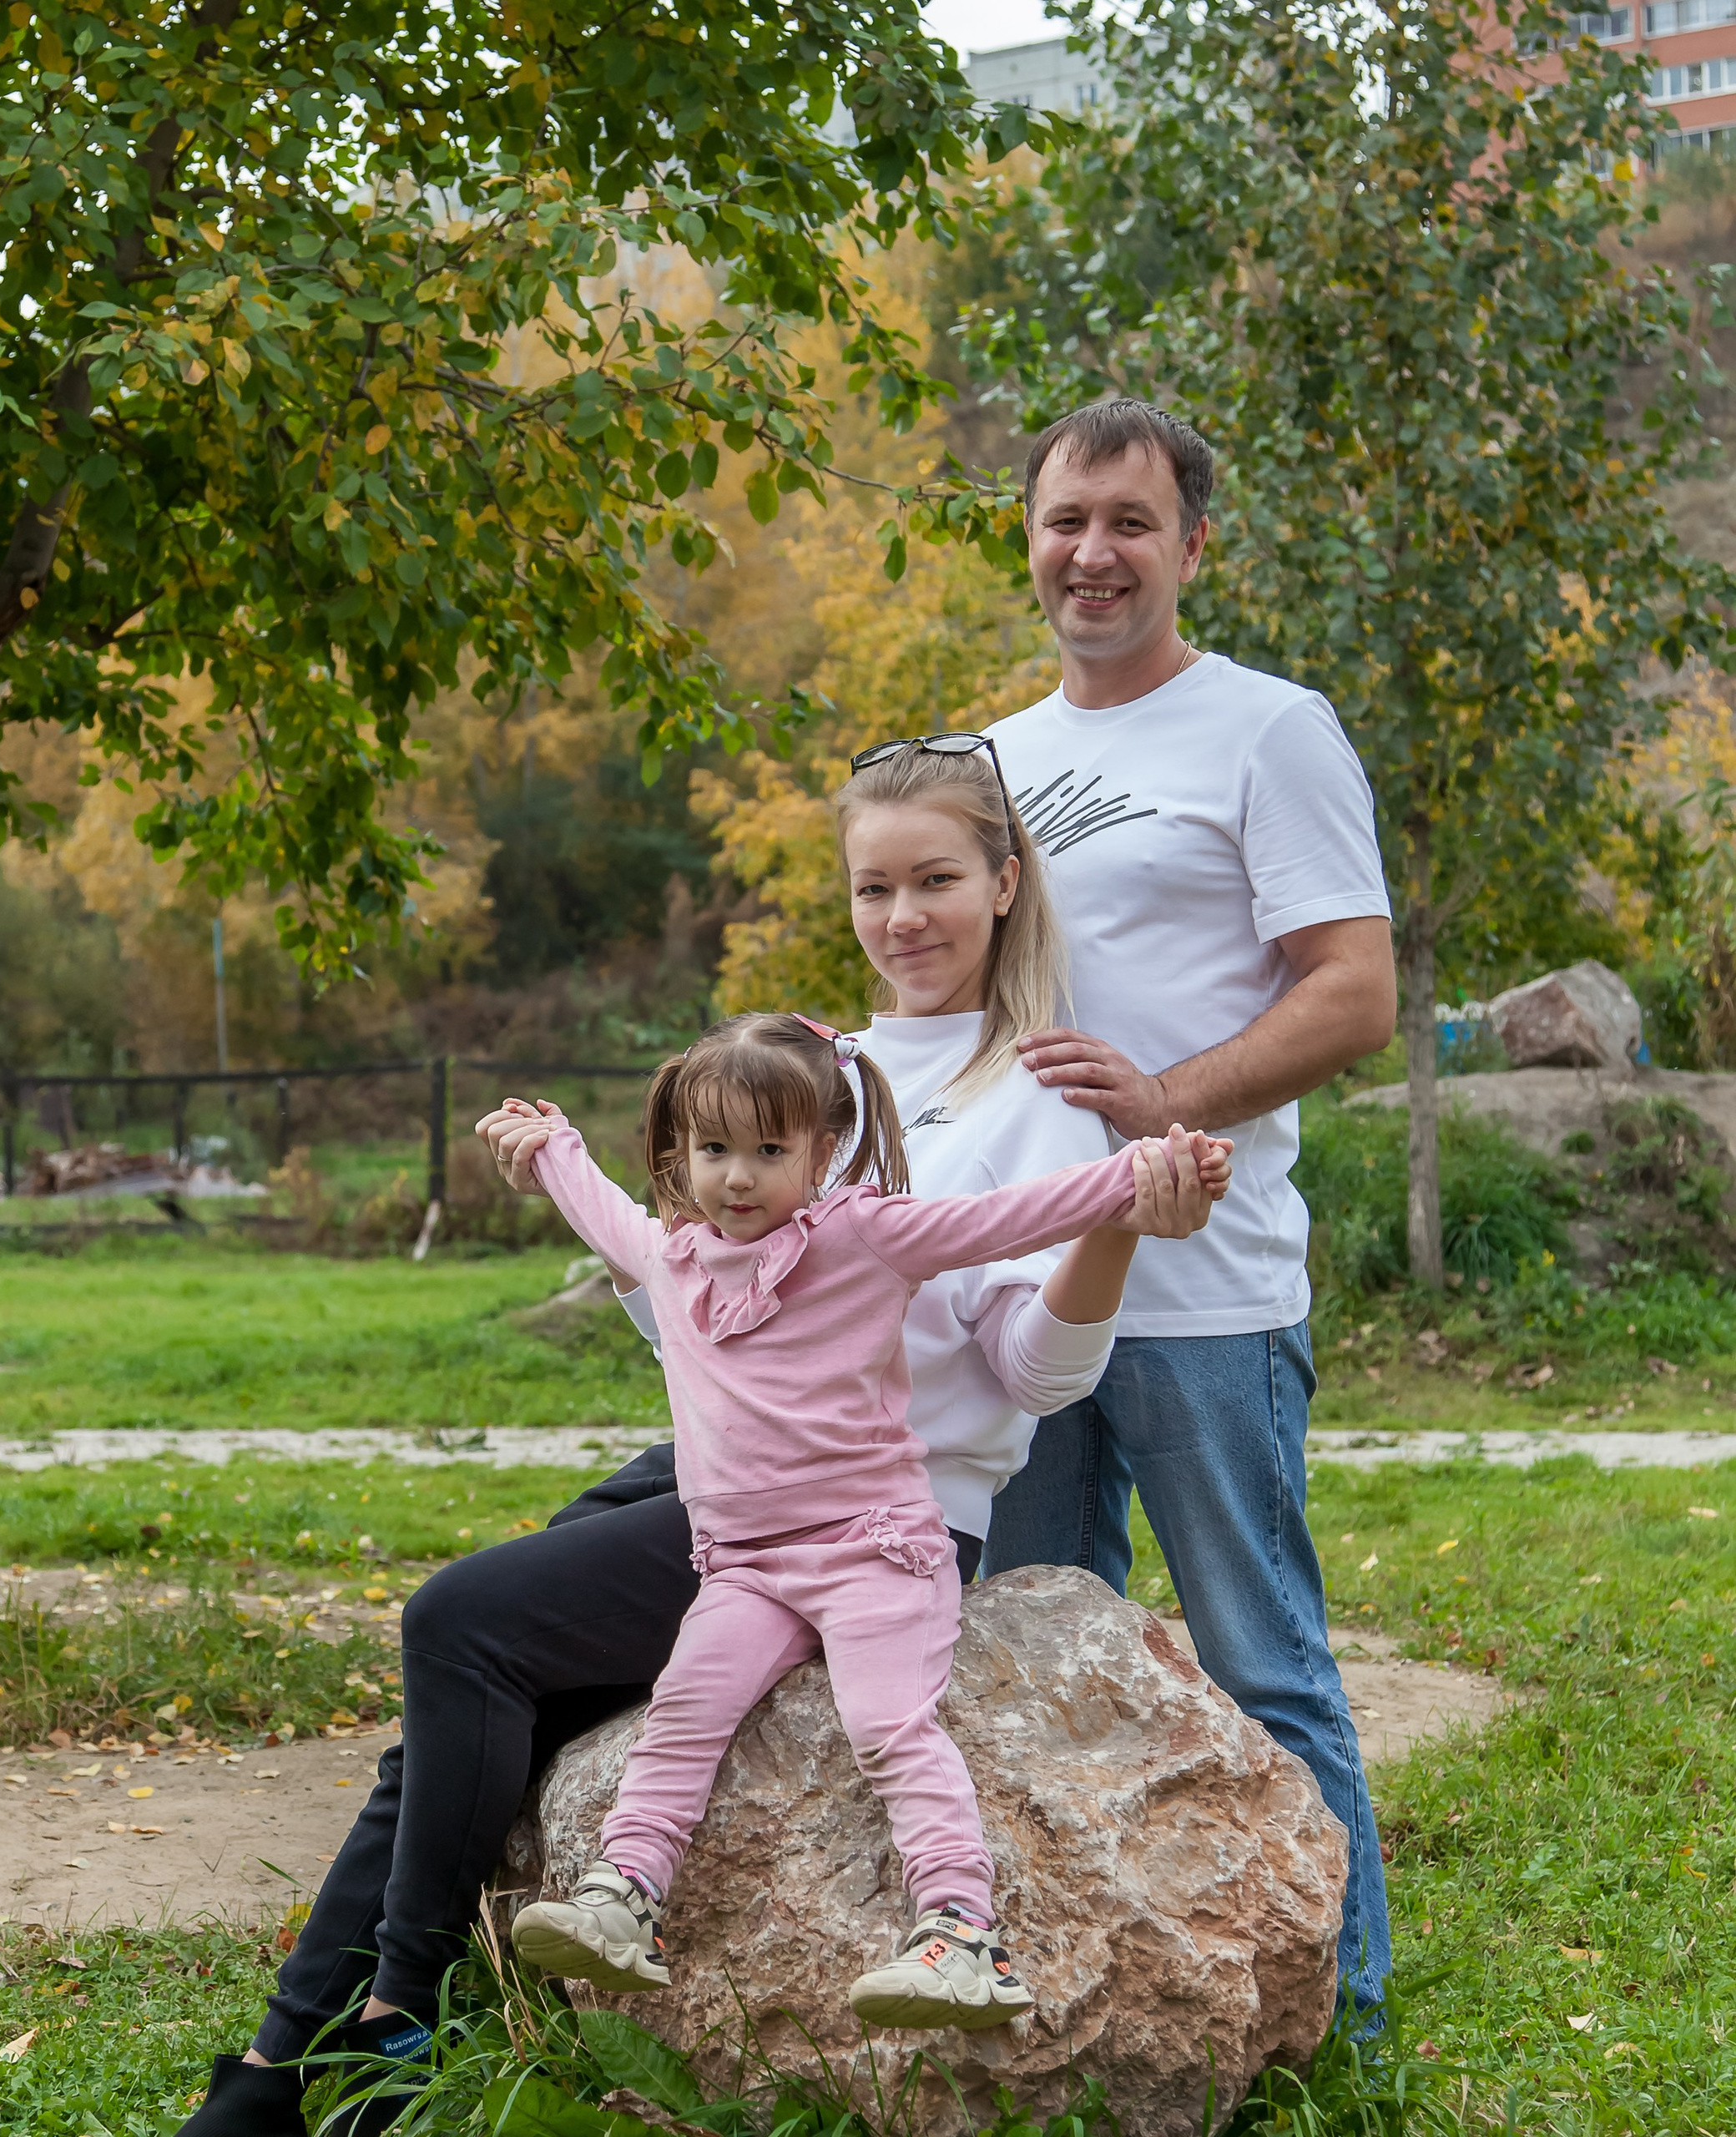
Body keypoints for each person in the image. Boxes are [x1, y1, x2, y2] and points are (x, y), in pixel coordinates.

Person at [177, 741, 1219, 2136]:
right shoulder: (815, 1071)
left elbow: (1033, 1379)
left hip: (860, 1514)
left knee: (465, 1627)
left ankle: (360, 2040)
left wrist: (1110, 1224)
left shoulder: (1046, 1098)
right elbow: (695, 1322)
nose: (903, 918)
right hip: (708, 1483)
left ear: (1006, 885)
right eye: (872, 886)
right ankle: (307, 2057)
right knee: (474, 1691)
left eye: (936, 882)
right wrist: (624, 1230)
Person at [487, 1015, 1228, 2029]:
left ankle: (963, 1934)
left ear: (821, 1150)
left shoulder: (865, 1235)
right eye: (713, 1151)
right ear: (679, 1156)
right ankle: (626, 1895)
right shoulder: (676, 1260)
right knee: (686, 1707)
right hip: (745, 1568)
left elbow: (1004, 1220)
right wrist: (551, 1145)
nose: (738, 1177)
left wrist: (1140, 1173)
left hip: (873, 1549)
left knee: (886, 1724)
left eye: (768, 1151)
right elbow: (599, 1209)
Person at [978, 397, 1400, 2013]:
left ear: (1191, 546)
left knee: (1260, 1665)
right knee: (1022, 1665)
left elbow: (1351, 991)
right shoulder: (996, 761)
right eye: (1064, 518)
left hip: (1206, 1295)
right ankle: (1070, 2009)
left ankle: (1335, 2012)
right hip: (1026, 1304)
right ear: (1026, 537)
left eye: (1128, 522)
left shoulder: (1266, 729)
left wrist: (1166, 1101)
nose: (1091, 551)